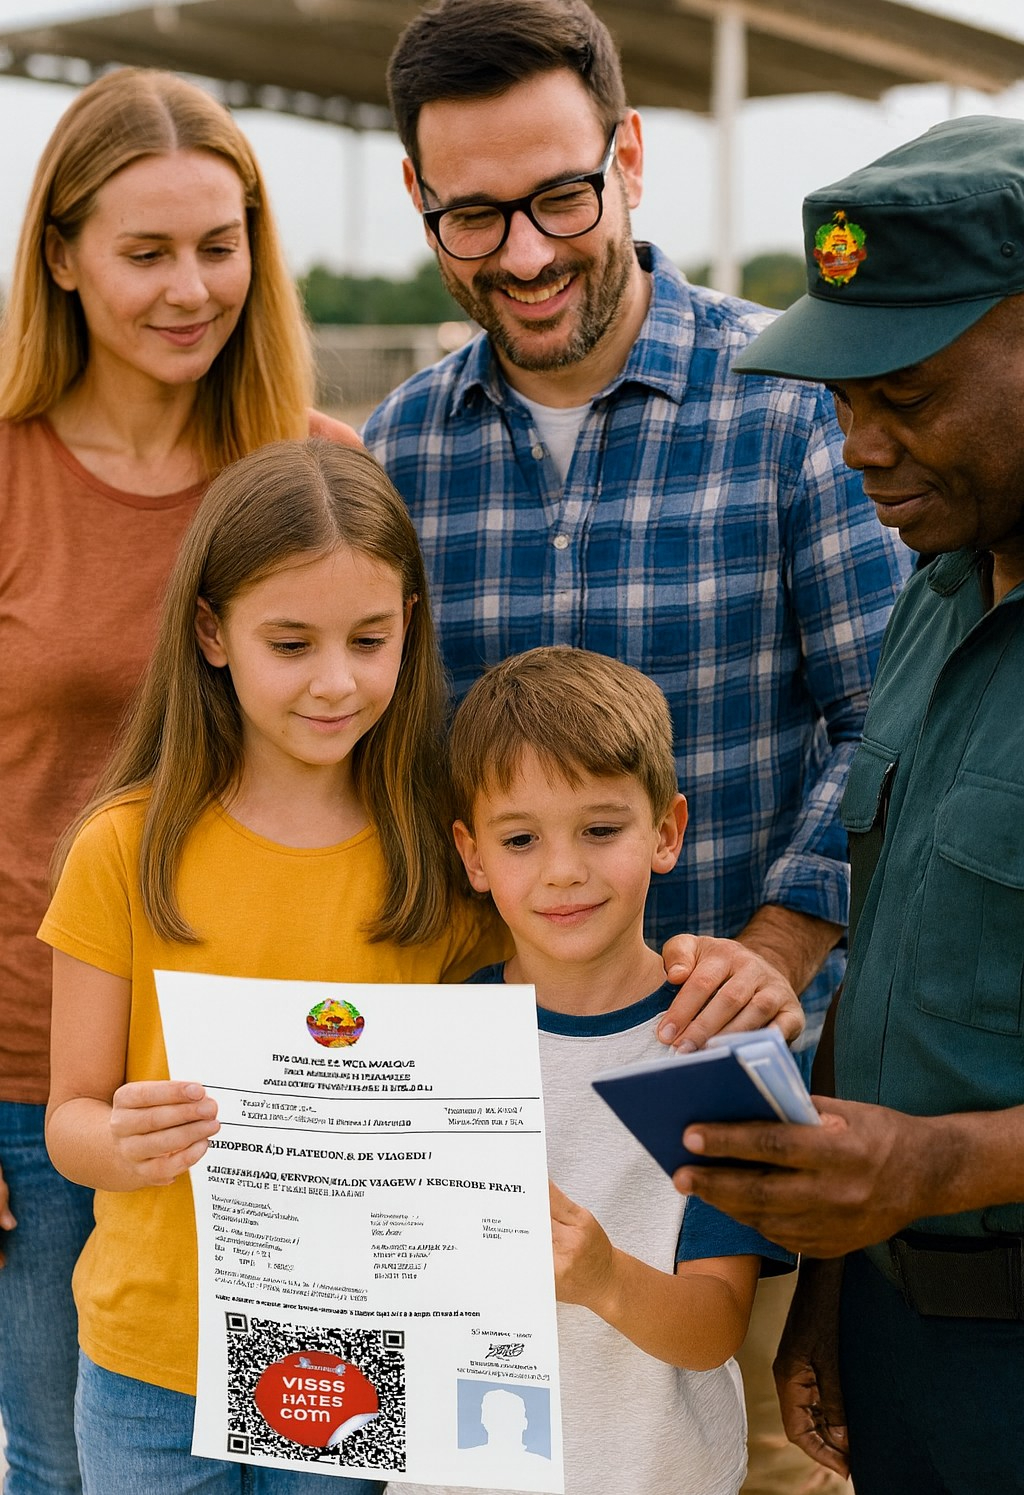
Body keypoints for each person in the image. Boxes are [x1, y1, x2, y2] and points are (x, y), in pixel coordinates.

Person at [362, 2, 907, 1488]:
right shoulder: (399, 452)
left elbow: (890, 723)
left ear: (631, 156)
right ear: (420, 201)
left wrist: (781, 948)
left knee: (745, 1460)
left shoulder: (792, 402)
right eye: (474, 215)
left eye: (559, 196)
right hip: (493, 1131)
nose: (526, 255)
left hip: (712, 1118)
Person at [0, 67, 361, 1494]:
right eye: (146, 250)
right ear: (63, 255)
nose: (189, 286)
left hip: (294, 1079)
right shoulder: (9, 474)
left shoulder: (318, 473)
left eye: (220, 244)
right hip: (37, 1088)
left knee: (312, 1454)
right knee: (67, 1462)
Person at [37, 438, 505, 1492]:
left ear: (409, 628)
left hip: (345, 1352)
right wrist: (124, 1139)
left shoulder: (438, 849)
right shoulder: (123, 846)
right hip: (149, 1356)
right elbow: (68, 1117)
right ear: (212, 632)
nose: (335, 681)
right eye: (290, 643)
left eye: (369, 639)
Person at [669, 114, 1024, 1495]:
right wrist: (831, 1276)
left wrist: (934, 1166)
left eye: (909, 390)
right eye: (836, 395)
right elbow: (888, 955)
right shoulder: (935, 593)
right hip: (900, 1329)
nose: (860, 443)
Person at [388, 645, 793, 1495]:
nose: (564, 869)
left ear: (666, 832)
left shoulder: (718, 1049)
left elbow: (716, 1326)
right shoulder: (431, 1041)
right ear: (472, 854)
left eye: (600, 829)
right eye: (521, 838)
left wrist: (603, 1277)